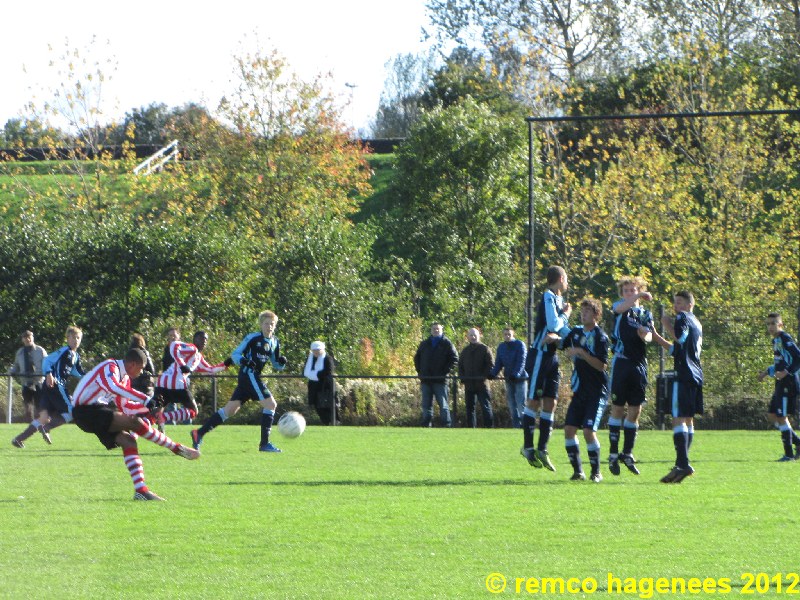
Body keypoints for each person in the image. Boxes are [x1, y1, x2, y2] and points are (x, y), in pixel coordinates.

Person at [71, 347, 200, 501]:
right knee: (135, 422)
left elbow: (125, 406)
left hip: (96, 412)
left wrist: (150, 407)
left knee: (129, 441)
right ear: (132, 364)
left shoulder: (124, 378)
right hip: (84, 411)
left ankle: (141, 491)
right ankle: (175, 448)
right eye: (140, 369)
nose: (140, 373)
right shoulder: (110, 367)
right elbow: (113, 387)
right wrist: (146, 399)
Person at [191, 310, 287, 452]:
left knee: (230, 411)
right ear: (261, 324)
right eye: (266, 323)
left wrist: (281, 362)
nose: (269, 326)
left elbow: (276, 364)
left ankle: (198, 433)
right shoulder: (253, 338)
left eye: (272, 324)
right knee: (271, 404)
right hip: (248, 375)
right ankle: (264, 444)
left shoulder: (274, 342)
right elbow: (235, 354)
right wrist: (244, 360)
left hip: (252, 377)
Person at [521, 266, 572, 472]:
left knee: (551, 402)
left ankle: (542, 448)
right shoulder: (548, 297)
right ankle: (527, 446)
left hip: (551, 357)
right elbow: (553, 325)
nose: (567, 283)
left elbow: (559, 332)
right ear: (560, 279)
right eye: (566, 279)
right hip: (540, 355)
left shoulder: (559, 301)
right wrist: (567, 315)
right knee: (533, 401)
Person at [651, 291, 703, 483]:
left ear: (690, 304)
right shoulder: (696, 322)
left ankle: (683, 463)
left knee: (677, 419)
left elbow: (679, 339)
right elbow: (677, 350)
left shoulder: (683, 317)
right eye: (675, 303)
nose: (676, 307)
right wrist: (656, 336)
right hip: (696, 373)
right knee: (688, 420)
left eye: (680, 303)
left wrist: (666, 325)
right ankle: (682, 463)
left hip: (684, 374)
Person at [607, 276, 654, 476]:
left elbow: (650, 336)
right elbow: (620, 307)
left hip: (639, 365)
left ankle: (627, 453)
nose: (629, 293)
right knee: (617, 408)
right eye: (626, 290)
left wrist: (645, 334)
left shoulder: (644, 313)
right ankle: (612, 454)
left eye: (633, 290)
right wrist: (638, 296)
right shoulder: (619, 308)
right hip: (622, 362)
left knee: (635, 410)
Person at [12, 325, 84, 448]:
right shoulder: (64, 351)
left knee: (43, 417)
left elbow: (78, 372)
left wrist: (91, 377)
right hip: (56, 385)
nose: (76, 340)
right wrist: (49, 373)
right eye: (73, 338)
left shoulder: (75, 356)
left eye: (78, 338)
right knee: (72, 411)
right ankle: (47, 428)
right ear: (67, 338)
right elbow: (47, 361)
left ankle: (18, 439)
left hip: (48, 388)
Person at [563, 298, 610, 483]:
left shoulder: (600, 337)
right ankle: (578, 472)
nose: (583, 315)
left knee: (589, 431)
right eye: (582, 312)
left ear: (596, 314)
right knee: (569, 429)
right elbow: (563, 343)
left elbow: (601, 365)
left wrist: (582, 353)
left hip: (597, 391)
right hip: (580, 390)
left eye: (587, 312)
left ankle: (596, 472)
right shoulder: (575, 332)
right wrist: (554, 339)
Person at [154, 331, 230, 427]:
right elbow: (173, 345)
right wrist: (182, 364)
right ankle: (164, 417)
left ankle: (139, 425)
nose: (204, 341)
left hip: (162, 381)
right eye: (201, 338)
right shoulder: (192, 348)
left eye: (206, 339)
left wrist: (227, 363)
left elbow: (210, 370)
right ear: (195, 339)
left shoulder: (198, 356)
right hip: (176, 383)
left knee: (155, 410)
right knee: (193, 411)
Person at [757, 313, 800, 461]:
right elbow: (779, 363)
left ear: (780, 325)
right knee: (772, 415)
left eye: (773, 324)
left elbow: (798, 357)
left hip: (788, 382)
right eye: (768, 324)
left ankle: (788, 455)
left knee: (781, 417)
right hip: (780, 382)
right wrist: (765, 373)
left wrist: (786, 372)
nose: (770, 327)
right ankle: (798, 443)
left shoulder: (784, 338)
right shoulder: (776, 341)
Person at [414, 322, 458, 427]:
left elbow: (455, 359)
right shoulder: (424, 344)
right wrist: (421, 372)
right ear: (431, 330)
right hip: (426, 380)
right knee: (426, 405)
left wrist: (445, 372)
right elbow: (417, 358)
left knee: (443, 405)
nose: (436, 330)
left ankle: (446, 425)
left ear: (442, 330)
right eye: (434, 329)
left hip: (440, 380)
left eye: (438, 329)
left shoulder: (447, 344)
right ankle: (426, 425)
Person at [489, 327, 527, 428]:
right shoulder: (501, 347)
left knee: (521, 403)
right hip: (508, 379)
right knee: (511, 404)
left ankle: (525, 426)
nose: (507, 336)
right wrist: (493, 373)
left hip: (520, 379)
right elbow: (498, 363)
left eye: (509, 334)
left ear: (513, 334)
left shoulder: (520, 344)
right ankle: (516, 426)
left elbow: (521, 361)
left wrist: (516, 374)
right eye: (505, 334)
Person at [458, 327, 494, 428]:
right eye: (471, 335)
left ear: (479, 335)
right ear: (467, 337)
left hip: (482, 384)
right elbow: (460, 365)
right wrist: (463, 378)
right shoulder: (465, 351)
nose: (473, 337)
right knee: (469, 408)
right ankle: (471, 429)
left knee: (485, 407)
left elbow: (491, 365)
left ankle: (489, 428)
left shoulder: (485, 349)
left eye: (475, 335)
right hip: (469, 384)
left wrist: (483, 377)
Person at [9, 330, 48, 424]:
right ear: (22, 339)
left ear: (33, 338)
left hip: (39, 382)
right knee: (27, 406)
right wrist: (11, 371)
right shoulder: (20, 352)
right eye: (25, 337)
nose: (28, 339)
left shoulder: (40, 350)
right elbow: (16, 366)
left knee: (39, 405)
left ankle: (40, 425)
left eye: (29, 337)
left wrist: (47, 373)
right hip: (26, 382)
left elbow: (48, 364)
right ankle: (30, 425)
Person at [304, 340, 337, 425]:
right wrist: (315, 374)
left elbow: (328, 372)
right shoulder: (310, 359)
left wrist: (314, 374)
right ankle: (326, 423)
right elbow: (306, 372)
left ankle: (332, 423)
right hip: (314, 388)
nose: (316, 352)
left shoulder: (328, 359)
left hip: (325, 388)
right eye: (314, 350)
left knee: (327, 407)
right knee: (317, 407)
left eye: (318, 350)